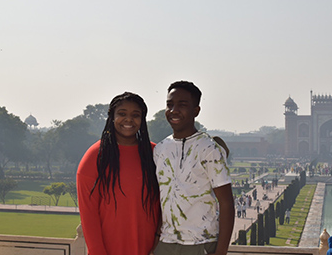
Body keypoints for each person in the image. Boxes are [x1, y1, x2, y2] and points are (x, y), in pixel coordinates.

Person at [153, 80, 234, 255]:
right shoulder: (160, 149)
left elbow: (226, 202)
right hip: (165, 243)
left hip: (200, 243)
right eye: (170, 105)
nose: (174, 110)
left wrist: (220, 252)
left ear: (195, 111)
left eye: (182, 105)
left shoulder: (209, 149)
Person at [77, 92, 160, 255]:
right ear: (112, 117)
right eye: (122, 114)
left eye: (135, 115)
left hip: (152, 249)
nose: (129, 120)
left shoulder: (156, 154)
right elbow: (89, 214)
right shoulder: (95, 156)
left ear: (142, 119)